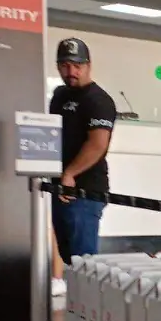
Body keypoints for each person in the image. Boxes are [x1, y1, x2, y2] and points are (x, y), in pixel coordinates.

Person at [49, 37, 116, 266]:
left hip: (86, 191)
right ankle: (73, 300)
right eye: (66, 66)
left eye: (77, 66)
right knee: (67, 255)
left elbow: (97, 144)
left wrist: (70, 173)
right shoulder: (59, 96)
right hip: (59, 188)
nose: (71, 71)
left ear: (88, 66)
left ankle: (85, 301)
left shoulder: (98, 100)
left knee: (84, 261)